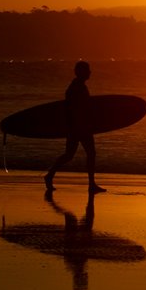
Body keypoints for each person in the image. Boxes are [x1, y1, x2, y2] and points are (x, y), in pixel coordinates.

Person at [44, 61, 106, 194]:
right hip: (80, 127)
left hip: (75, 127)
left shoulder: (76, 86)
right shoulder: (77, 87)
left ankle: (50, 175)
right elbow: (75, 109)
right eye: (87, 70)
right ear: (81, 72)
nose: (90, 72)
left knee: (69, 155)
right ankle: (91, 184)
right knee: (90, 153)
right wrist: (82, 125)